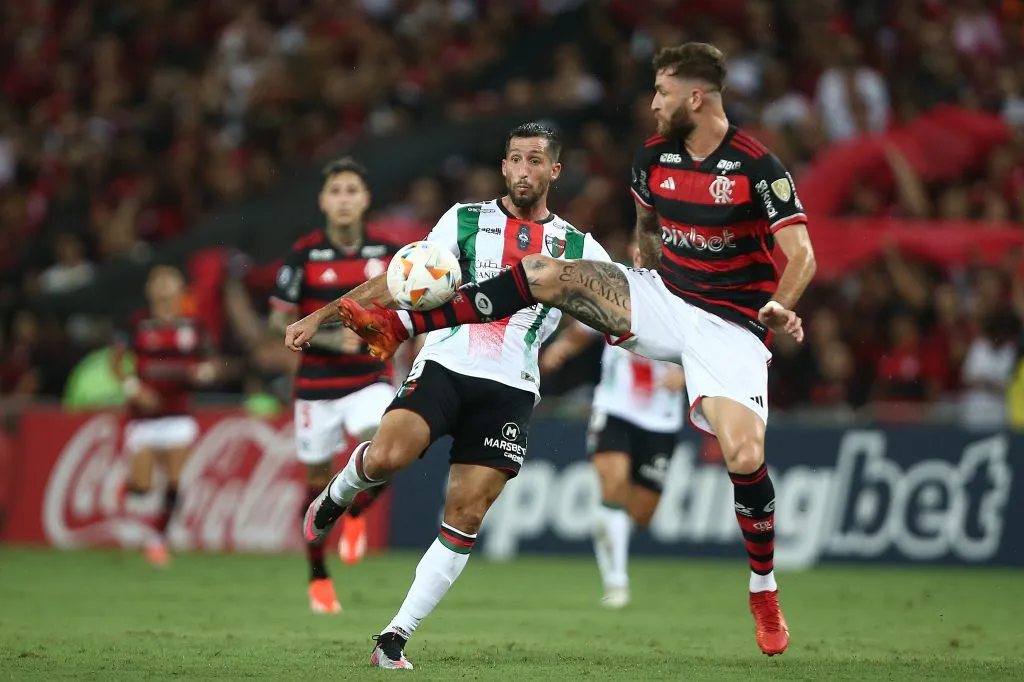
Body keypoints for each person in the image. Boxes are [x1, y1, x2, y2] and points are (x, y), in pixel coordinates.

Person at [301, 43, 817, 657]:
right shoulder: (648, 160)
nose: (652, 102)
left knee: (743, 451)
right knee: (545, 275)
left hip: (730, 326)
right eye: (653, 90)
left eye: (662, 91)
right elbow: (647, 235)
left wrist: (781, 304)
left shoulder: (758, 168)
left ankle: (763, 586)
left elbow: (802, 254)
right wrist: (639, 277)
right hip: (652, 301)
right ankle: (405, 334)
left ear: (695, 97)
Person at [295, 123, 613, 668]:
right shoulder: (465, 220)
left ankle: (395, 636)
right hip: (445, 364)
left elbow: (622, 305)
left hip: (511, 390)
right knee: (388, 454)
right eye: (515, 159)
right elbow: (400, 279)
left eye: (536, 161)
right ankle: (337, 495)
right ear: (504, 166)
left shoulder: (578, 246)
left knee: (466, 512)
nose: (523, 170)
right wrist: (322, 312)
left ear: (554, 172)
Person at [268, 157, 397, 614]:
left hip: (369, 378)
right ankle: (319, 575)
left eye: (352, 190)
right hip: (317, 387)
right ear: (323, 200)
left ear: (365, 200)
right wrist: (329, 337)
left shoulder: (388, 251)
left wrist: (415, 341)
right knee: (317, 485)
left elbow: (414, 302)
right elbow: (278, 321)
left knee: (387, 446)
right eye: (336, 191)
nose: (343, 198)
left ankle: (358, 511)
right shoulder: (304, 253)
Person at [540, 242, 684, 610]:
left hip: (661, 417)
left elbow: (711, 350)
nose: (640, 259)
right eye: (637, 253)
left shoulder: (686, 298)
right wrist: (562, 349)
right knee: (613, 481)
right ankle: (616, 582)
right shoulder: (618, 288)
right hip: (615, 406)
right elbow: (584, 326)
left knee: (641, 512)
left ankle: (609, 524)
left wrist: (687, 378)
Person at [112, 265, 219, 567]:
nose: (163, 286)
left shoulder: (194, 326)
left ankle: (157, 539)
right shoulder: (138, 323)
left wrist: (206, 373)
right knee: (144, 486)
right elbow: (116, 362)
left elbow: (212, 363)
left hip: (179, 412)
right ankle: (130, 484)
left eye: (169, 280)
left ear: (180, 288)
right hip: (144, 415)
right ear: (149, 289)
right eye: (157, 280)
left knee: (174, 481)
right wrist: (134, 388)